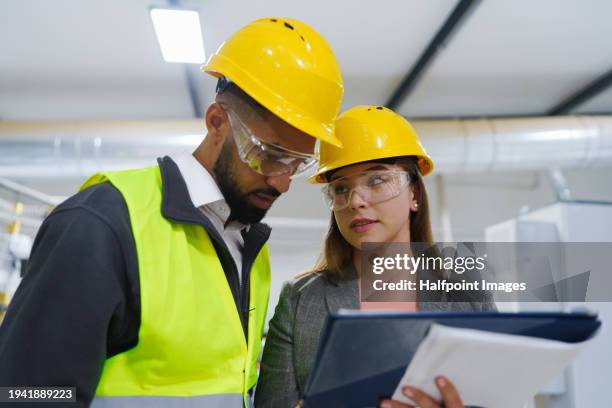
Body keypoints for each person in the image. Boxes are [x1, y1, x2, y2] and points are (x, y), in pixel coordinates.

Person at [0, 18, 343, 407]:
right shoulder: (104, 223)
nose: (282, 183)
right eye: (269, 156)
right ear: (217, 122)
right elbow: (25, 392)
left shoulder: (250, 247)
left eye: (296, 164)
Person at [255, 105, 495, 408]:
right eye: (341, 188)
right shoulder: (301, 299)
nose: (356, 201)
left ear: (415, 196)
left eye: (376, 180)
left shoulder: (466, 291)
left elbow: (503, 395)